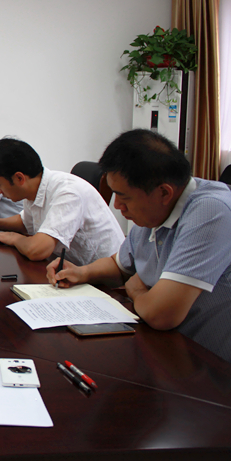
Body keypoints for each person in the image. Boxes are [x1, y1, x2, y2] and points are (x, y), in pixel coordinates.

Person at [48, 129, 231, 361]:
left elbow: (161, 315)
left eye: (123, 197)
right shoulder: (154, 211)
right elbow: (120, 265)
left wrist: (136, 291)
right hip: (165, 349)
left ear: (164, 193)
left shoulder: (211, 211)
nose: (117, 206)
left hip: (209, 363)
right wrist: (81, 272)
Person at [0, 138, 124, 265]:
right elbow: (25, 222)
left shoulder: (67, 192)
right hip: (70, 270)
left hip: (105, 282)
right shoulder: (34, 188)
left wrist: (13, 238)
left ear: (19, 178)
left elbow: (37, 250)